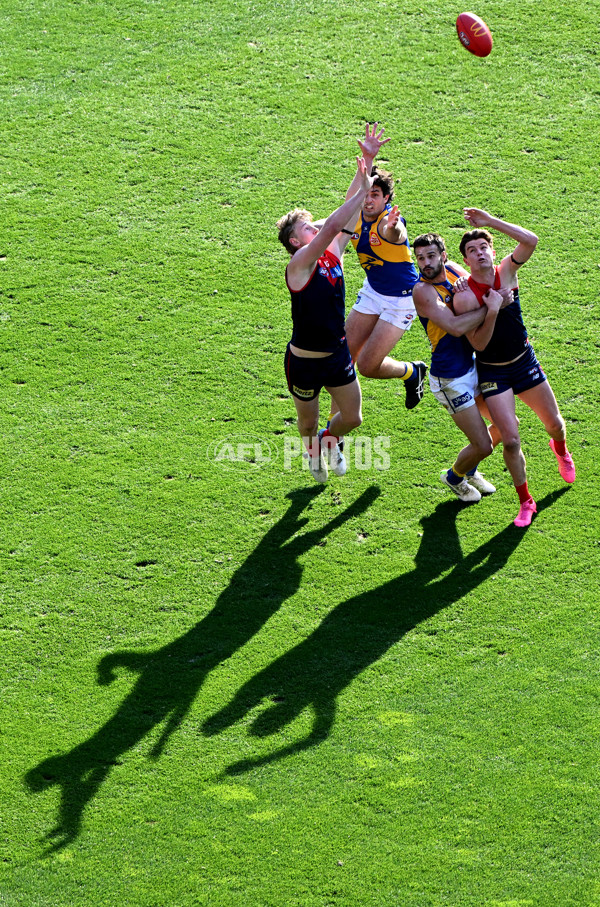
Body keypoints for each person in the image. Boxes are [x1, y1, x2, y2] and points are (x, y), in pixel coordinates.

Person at [453, 208, 575, 527]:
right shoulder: (465, 297)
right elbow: (478, 345)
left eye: (483, 248)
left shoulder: (505, 272)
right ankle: (526, 501)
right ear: (465, 260)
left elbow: (531, 240)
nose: (478, 253)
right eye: (471, 250)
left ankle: (560, 449)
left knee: (555, 425)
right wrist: (493, 308)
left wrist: (490, 222)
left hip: (524, 363)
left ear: (492, 252)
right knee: (510, 440)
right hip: (493, 373)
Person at [277, 155, 375, 484]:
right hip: (304, 363)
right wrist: (364, 191)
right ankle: (313, 452)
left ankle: (327, 441)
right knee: (306, 424)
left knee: (353, 417)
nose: (315, 226)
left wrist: (368, 165)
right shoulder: (299, 264)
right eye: (308, 227)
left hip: (337, 356)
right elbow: (334, 223)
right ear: (295, 241)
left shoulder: (333, 253)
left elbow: (343, 215)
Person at [412, 232, 506, 503]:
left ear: (444, 256)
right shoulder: (423, 291)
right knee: (483, 444)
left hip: (473, 366)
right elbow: (453, 328)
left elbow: (481, 289)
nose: (425, 263)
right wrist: (492, 308)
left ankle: (469, 469)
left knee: (505, 425)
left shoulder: (455, 270)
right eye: (420, 258)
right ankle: (454, 477)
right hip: (450, 378)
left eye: (431, 256)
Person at [343, 124, 427, 409]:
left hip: (401, 301)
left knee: (367, 366)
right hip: (373, 291)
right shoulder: (353, 214)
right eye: (367, 193)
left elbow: (397, 235)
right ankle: (333, 429)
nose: (368, 199)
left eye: (376, 195)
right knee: (343, 361)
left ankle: (411, 371)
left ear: (387, 199)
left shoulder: (388, 221)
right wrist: (366, 159)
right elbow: (347, 202)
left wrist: (394, 230)